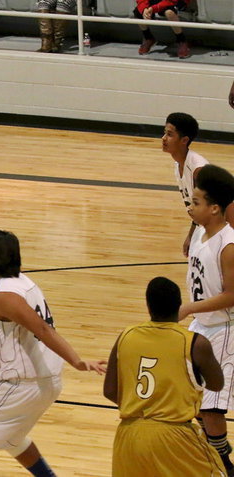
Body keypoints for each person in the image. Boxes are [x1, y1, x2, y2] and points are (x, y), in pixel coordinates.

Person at [0, 229, 106, 477]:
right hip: (46, 381)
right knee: (12, 438)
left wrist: (78, 361)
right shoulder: (24, 282)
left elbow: (41, 328)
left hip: (20, 383)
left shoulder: (3, 296)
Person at [104, 276, 226, 477]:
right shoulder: (194, 342)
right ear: (179, 305)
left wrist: (143, 408)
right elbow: (217, 383)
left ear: (148, 306)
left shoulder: (126, 335)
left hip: (128, 435)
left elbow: (109, 390)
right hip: (173, 434)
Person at [179, 163, 234, 476]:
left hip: (223, 329)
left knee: (211, 405)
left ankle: (224, 465)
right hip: (202, 325)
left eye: (196, 202)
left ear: (215, 209)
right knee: (195, 400)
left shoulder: (228, 246)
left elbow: (232, 295)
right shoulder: (201, 231)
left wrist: (188, 308)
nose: (190, 206)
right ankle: (216, 457)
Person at [163, 113, 208, 257]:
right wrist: (191, 236)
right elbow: (197, 210)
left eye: (169, 134)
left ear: (184, 140)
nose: (163, 139)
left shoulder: (198, 170)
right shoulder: (178, 165)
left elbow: (214, 210)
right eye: (164, 133)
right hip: (204, 227)